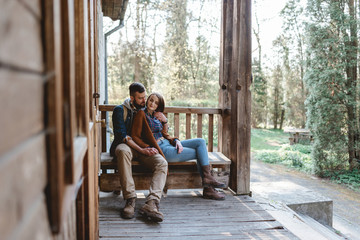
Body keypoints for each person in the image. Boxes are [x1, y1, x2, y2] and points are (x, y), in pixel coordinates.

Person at [131, 92, 226, 200]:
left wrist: (174, 138)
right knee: (200, 153)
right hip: (161, 149)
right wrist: (147, 146)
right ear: (147, 100)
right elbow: (135, 136)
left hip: (167, 143)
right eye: (151, 100)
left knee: (200, 142)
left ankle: (208, 181)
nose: (152, 104)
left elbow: (165, 134)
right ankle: (208, 187)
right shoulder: (141, 114)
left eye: (156, 103)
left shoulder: (156, 115)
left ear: (159, 106)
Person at [110, 83, 168, 222]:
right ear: (132, 98)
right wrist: (142, 149)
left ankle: (152, 203)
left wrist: (163, 119)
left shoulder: (145, 110)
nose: (144, 100)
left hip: (143, 147)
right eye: (141, 98)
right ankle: (130, 199)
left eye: (144, 97)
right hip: (126, 145)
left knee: (162, 163)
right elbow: (122, 135)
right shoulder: (120, 110)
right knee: (123, 151)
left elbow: (158, 128)